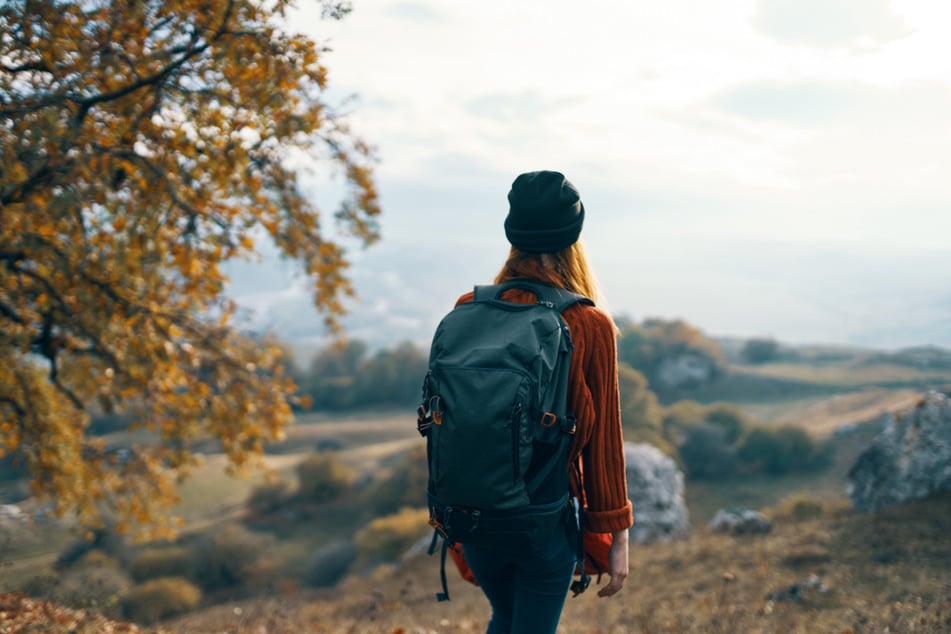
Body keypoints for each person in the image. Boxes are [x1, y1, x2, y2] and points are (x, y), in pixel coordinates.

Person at [456, 170, 633, 634]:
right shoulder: (587, 322)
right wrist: (615, 533)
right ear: (573, 236)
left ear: (512, 233)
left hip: (472, 517)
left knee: (506, 616)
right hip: (540, 520)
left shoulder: (468, 308)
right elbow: (604, 444)